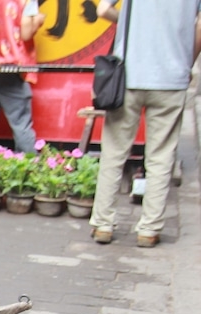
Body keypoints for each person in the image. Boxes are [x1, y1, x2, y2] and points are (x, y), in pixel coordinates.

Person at [88, 0, 201, 247]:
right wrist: (187, 62)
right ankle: (149, 229)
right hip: (172, 78)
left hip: (129, 74)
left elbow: (102, 10)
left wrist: (138, 24)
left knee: (114, 152)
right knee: (161, 156)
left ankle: (103, 224)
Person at [0, 0, 45, 154]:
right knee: (21, 121)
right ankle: (28, 162)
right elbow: (25, 33)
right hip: (9, 65)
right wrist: (38, 20)